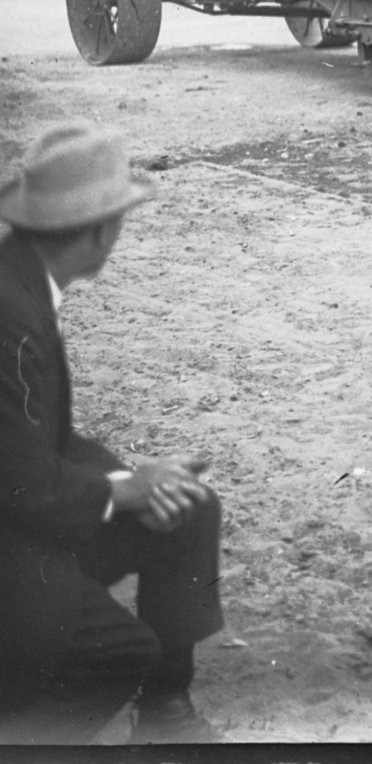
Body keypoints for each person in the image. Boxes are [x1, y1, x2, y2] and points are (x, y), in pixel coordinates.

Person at [0, 123, 224, 745]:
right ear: (100, 230)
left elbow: (36, 442)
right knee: (120, 651)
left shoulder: (21, 279)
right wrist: (124, 491)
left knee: (188, 506)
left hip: (25, 510)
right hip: (12, 537)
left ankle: (166, 713)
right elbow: (23, 483)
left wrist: (141, 481)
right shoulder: (8, 313)